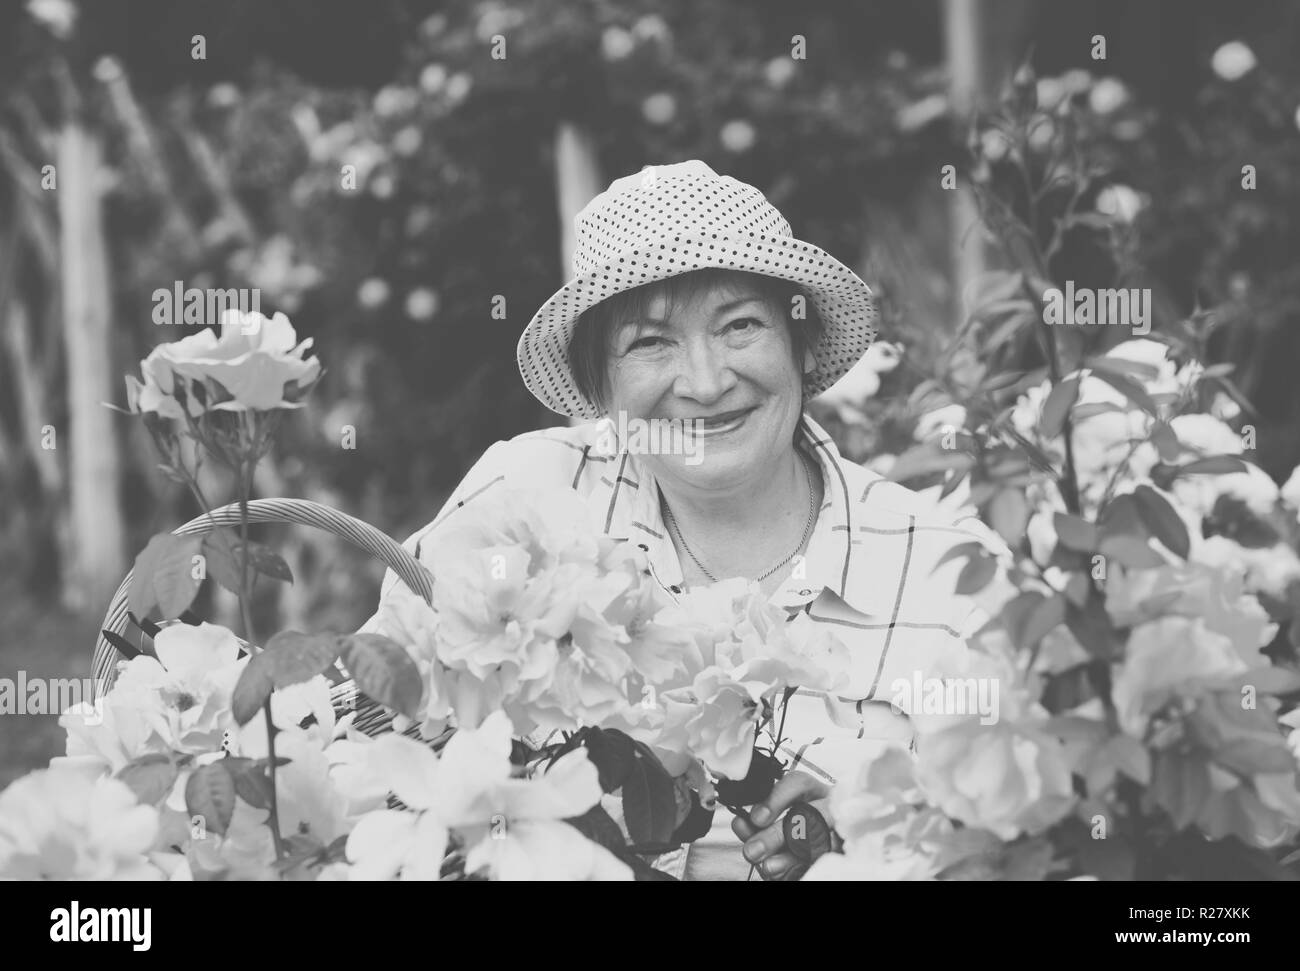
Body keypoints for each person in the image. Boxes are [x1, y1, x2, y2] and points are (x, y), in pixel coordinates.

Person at [359, 159, 1009, 880]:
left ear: (799, 343)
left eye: (740, 326)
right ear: (599, 384)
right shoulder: (527, 496)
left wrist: (870, 841)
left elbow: (1012, 849)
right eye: (650, 341)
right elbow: (364, 736)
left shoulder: (945, 575)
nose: (704, 382)